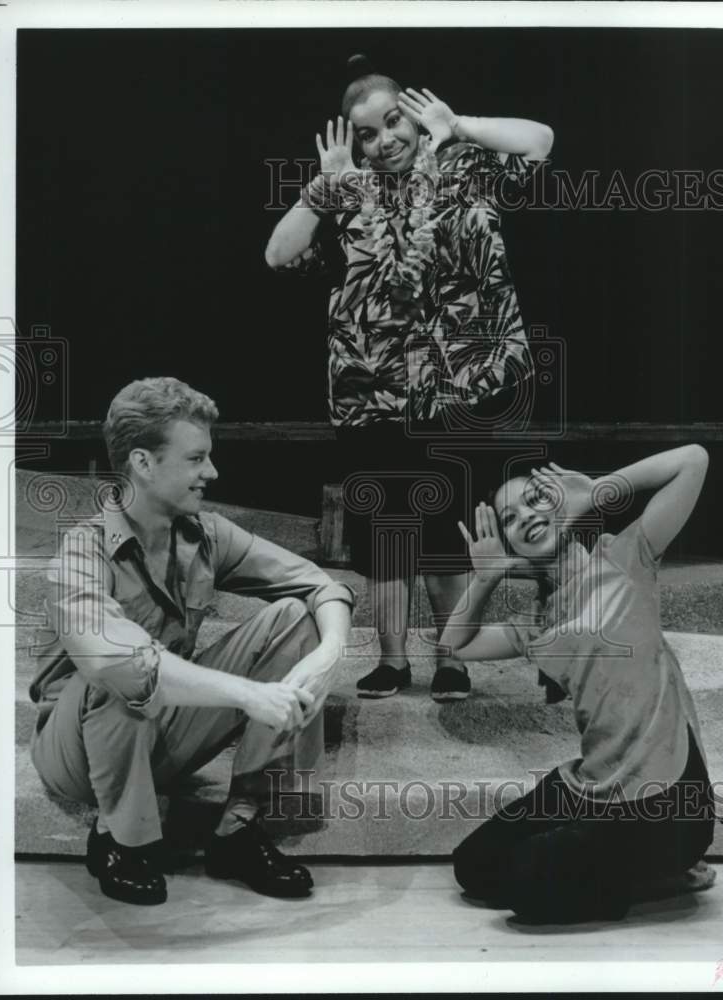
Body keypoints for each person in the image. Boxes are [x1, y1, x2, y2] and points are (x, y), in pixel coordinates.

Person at [265, 54, 553, 702]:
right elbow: (278, 254)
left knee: (449, 524)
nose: (385, 138)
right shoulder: (346, 196)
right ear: (356, 143)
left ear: (412, 116)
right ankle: (392, 661)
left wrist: (462, 125)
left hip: (457, 384)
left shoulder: (463, 171)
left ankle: (452, 657)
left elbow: (540, 142)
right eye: (367, 132)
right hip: (373, 390)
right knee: (384, 531)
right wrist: (321, 187)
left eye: (393, 121)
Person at [29, 377, 354, 906]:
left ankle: (238, 833)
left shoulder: (204, 534)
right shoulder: (81, 550)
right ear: (143, 462)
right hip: (81, 752)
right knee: (121, 669)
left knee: (295, 617)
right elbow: (112, 659)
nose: (212, 472)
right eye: (197, 458)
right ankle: (120, 840)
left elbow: (319, 585)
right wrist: (247, 694)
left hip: (161, 730)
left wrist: (329, 653)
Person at [441, 445, 716, 924]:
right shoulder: (536, 622)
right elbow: (456, 645)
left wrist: (596, 490)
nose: (524, 516)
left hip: (667, 801)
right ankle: (623, 864)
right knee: (475, 866)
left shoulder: (627, 555)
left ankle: (647, 871)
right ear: (508, 544)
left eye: (534, 500)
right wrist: (485, 580)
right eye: (509, 518)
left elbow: (693, 459)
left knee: (524, 880)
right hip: (596, 782)